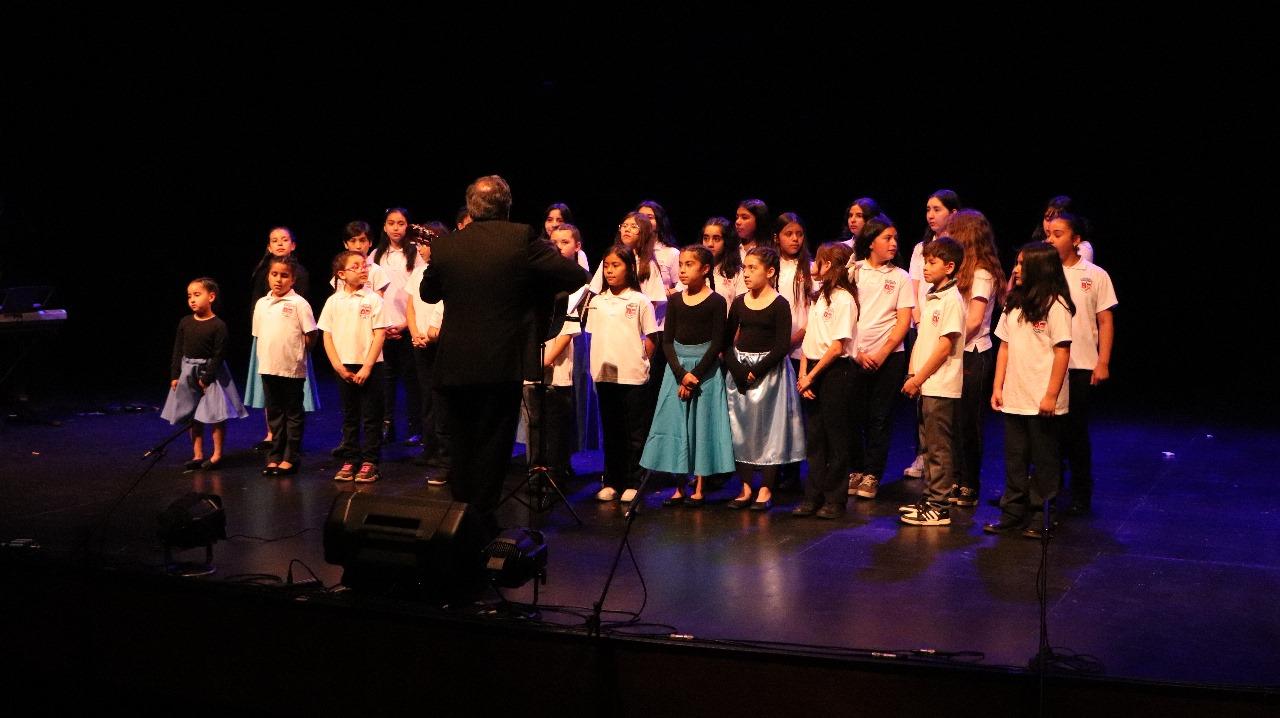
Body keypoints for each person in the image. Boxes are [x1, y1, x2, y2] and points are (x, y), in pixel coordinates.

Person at [421, 175, 586, 534]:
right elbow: (575, 275)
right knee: (494, 444)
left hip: (454, 363)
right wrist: (533, 295)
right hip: (501, 362)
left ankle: (461, 519)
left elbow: (428, 293)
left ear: (471, 206)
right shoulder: (521, 238)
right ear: (507, 206)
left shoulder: (446, 245)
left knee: (461, 444)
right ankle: (482, 519)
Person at [985, 243, 1075, 537]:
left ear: (1040, 267)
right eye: (1017, 263)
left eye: (1023, 264)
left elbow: (1062, 352)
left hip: (1042, 398)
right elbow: (1004, 346)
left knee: (1044, 460)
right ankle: (1012, 512)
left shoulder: (1056, 305)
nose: (1016, 269)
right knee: (1015, 458)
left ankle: (1042, 515)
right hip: (1016, 395)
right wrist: (997, 385)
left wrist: (1051, 395)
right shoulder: (1014, 303)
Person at [641, 245, 733, 507]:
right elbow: (667, 341)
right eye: (681, 264)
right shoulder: (675, 301)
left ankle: (700, 485)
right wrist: (681, 374)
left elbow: (717, 343)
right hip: (677, 370)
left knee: (702, 426)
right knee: (676, 425)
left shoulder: (716, 302)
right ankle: (679, 485)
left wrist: (695, 376)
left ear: (705, 269)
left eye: (689, 264)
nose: (682, 269)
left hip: (704, 371)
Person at [724, 246, 806, 511]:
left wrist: (756, 370)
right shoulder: (739, 302)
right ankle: (745, 486)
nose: (746, 273)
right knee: (741, 428)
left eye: (752, 268)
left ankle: (766, 487)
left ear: (769, 272)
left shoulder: (779, 304)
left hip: (769, 373)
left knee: (770, 430)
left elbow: (782, 345)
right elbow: (726, 341)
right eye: (744, 268)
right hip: (741, 371)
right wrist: (738, 369)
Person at [1045, 212, 1116, 515]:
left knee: (1075, 431)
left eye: (1058, 234)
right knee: (1047, 432)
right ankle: (1048, 490)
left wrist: (1103, 361)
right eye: (1049, 234)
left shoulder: (1095, 275)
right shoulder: (1045, 271)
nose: (1050, 239)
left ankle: (1080, 494)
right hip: (1048, 364)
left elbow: (1105, 320)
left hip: (1081, 364)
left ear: (1075, 240)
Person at [941, 209, 1006, 508]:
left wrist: (947, 344)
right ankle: (954, 477)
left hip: (972, 353)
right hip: (956, 352)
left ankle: (969, 482)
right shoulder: (961, 272)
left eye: (952, 231)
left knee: (969, 421)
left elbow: (976, 320)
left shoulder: (981, 273)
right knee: (952, 420)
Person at [846, 215, 914, 500]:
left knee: (880, 417)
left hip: (889, 358)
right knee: (853, 415)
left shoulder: (900, 277)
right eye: (887, 238)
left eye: (895, 238)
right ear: (871, 242)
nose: (893, 243)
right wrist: (858, 353)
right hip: (855, 355)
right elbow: (845, 314)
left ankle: (872, 473)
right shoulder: (855, 272)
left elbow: (903, 320)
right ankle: (855, 468)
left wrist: (883, 352)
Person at [899, 237, 965, 527]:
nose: (925, 267)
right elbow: (924, 342)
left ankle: (939, 506)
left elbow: (944, 347)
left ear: (949, 267)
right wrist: (913, 375)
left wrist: (919, 378)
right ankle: (929, 500)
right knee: (927, 447)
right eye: (925, 261)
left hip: (940, 384)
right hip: (926, 383)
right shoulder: (933, 296)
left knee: (938, 448)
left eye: (932, 262)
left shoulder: (952, 300)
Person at [586, 244, 659, 503]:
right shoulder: (597, 301)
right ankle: (612, 481)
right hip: (604, 375)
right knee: (611, 430)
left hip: (632, 375)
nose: (610, 271)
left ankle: (634, 481)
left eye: (616, 265)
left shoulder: (639, 301)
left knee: (634, 433)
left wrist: (640, 359)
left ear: (629, 268)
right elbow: (593, 336)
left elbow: (651, 337)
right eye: (606, 266)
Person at [793, 243, 858, 519]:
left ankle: (835, 499)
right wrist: (803, 375)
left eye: (818, 261)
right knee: (816, 438)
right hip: (813, 371)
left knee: (836, 438)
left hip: (835, 372)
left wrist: (811, 376)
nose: (813, 266)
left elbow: (837, 346)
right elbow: (810, 339)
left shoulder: (844, 300)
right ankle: (813, 495)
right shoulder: (821, 297)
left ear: (828, 265)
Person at [161, 277, 248, 470]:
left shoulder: (218, 325)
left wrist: (207, 377)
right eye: (189, 296)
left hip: (212, 373)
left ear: (211, 297)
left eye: (197, 295)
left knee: (215, 415)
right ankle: (197, 454)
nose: (192, 299)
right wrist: (175, 375)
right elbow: (178, 350)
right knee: (192, 415)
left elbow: (219, 354)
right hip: (188, 371)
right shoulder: (185, 322)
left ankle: (217, 454)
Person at [318, 251, 388, 483]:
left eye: (364, 265)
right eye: (355, 266)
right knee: (350, 415)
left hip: (370, 365)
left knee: (371, 415)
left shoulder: (373, 299)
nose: (362, 269)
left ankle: (370, 461)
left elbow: (380, 334)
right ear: (342, 274)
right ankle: (351, 458)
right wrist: (338, 366)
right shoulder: (334, 301)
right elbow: (327, 335)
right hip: (344, 365)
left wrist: (367, 367)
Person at [245, 227, 315, 450]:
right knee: (270, 393)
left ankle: (291, 440)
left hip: (291, 340)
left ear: (293, 245)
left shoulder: (299, 273)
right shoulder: (263, 271)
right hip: (268, 338)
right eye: (275, 240)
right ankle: (272, 434)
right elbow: (257, 303)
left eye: (284, 240)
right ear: (269, 246)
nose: (280, 244)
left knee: (292, 395)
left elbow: (304, 310)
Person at [252, 256, 317, 476]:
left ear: (293, 279)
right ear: (268, 276)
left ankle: (290, 457)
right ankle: (274, 456)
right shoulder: (262, 304)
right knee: (274, 414)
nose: (278, 279)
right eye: (274, 274)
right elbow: (259, 334)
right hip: (268, 367)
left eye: (284, 275)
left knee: (293, 413)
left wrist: (298, 355)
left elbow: (311, 334)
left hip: (291, 369)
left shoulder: (299, 304)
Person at [371, 207, 421, 445]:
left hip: (408, 326)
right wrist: (383, 325)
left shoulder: (415, 254)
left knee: (412, 380)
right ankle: (387, 425)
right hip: (384, 328)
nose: (396, 228)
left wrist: (404, 324)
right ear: (384, 226)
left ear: (407, 226)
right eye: (391, 223)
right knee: (387, 380)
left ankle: (415, 427)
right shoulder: (376, 255)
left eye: (401, 223)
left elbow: (418, 293)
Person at [701, 216, 745, 311]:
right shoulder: (695, 269)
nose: (710, 244)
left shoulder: (737, 273)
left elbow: (742, 308)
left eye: (716, 239)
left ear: (727, 241)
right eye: (706, 238)